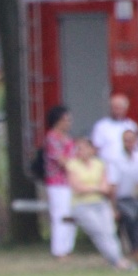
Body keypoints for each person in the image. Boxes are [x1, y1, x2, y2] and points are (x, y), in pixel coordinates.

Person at [66, 138, 134, 270]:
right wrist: (96, 188)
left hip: (101, 203)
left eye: (83, 148)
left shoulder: (99, 164)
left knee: (109, 232)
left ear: (91, 150)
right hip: (82, 205)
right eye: (78, 149)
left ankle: (117, 260)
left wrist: (92, 188)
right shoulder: (72, 165)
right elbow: (78, 188)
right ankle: (118, 261)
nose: (80, 151)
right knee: (99, 232)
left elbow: (106, 187)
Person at [108, 129, 138, 266]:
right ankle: (135, 249)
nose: (128, 143)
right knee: (130, 214)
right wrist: (113, 208)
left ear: (136, 141)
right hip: (119, 199)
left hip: (132, 197)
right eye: (125, 140)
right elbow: (113, 187)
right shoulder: (116, 159)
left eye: (131, 140)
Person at [43, 105, 76, 260]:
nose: (69, 122)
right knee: (60, 215)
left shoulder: (68, 139)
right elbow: (62, 160)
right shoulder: (52, 138)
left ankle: (68, 247)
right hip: (57, 183)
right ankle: (58, 250)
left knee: (71, 215)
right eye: (66, 119)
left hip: (70, 182)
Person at [91, 93, 138, 164]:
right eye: (114, 108)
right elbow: (95, 148)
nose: (117, 111)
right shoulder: (101, 126)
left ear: (125, 108)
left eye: (119, 108)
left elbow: (135, 147)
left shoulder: (131, 125)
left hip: (127, 166)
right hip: (107, 167)